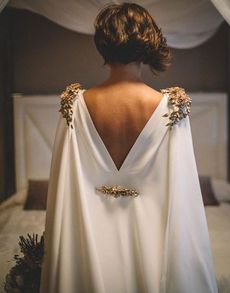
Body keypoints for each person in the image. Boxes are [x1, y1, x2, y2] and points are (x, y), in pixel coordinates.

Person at [39, 2, 218, 293]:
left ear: (103, 45)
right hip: (151, 243)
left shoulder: (73, 104)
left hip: (89, 244)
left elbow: (62, 190)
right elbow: (184, 200)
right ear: (148, 41)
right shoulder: (172, 106)